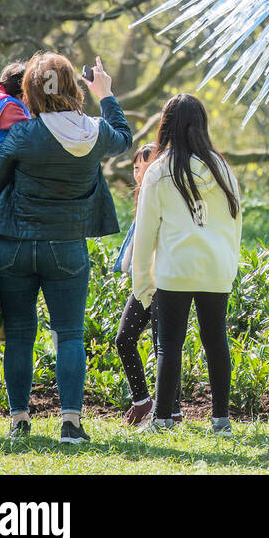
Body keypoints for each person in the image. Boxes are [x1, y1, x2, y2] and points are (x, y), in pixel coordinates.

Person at [0, 52, 132, 446]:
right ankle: (70, 423)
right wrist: (106, 94)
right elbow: (126, 139)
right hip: (67, 248)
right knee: (69, 334)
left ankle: (18, 421)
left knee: (18, 334)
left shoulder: (23, 135)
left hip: (14, 247)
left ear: (30, 90)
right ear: (73, 87)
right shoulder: (96, 132)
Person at [131, 94, 241, 435]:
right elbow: (235, 222)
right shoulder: (221, 168)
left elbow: (145, 232)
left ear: (166, 126)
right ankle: (221, 420)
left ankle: (161, 419)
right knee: (215, 340)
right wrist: (229, 265)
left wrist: (142, 282)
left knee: (169, 344)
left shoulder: (159, 171)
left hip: (175, 269)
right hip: (216, 266)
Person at [113, 143, 181, 426]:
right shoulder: (142, 199)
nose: (139, 173)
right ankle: (143, 401)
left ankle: (172, 412)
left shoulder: (165, 197)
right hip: (144, 285)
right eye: (136, 168)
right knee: (124, 339)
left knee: (162, 346)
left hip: (162, 283)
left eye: (146, 167)